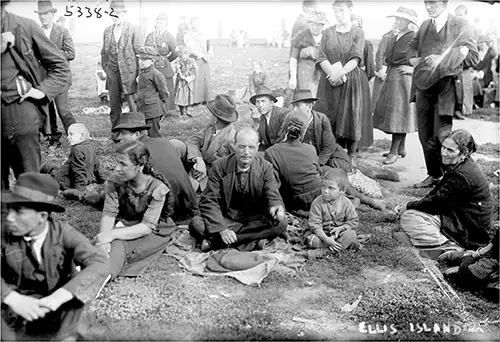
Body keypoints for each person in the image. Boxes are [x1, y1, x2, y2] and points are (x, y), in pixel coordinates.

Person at [1, 172, 108, 340]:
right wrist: (11, 297)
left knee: (75, 317)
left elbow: (100, 262)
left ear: (42, 217)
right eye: (9, 209)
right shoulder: (4, 234)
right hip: (15, 301)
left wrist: (59, 296)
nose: (9, 218)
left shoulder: (64, 233)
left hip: (57, 301)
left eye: (19, 212)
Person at [407, 0, 478, 188]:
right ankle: (434, 175)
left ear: (445, 3)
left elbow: (473, 56)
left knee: (441, 136)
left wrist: (442, 59)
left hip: (446, 88)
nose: (429, 6)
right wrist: (415, 59)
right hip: (423, 87)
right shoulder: (424, 25)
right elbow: (411, 48)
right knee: (424, 137)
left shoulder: (460, 24)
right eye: (426, 3)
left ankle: (450, 178)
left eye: (434, 2)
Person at [1, 0, 70, 190]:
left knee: (29, 181)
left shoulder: (25, 26)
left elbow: (60, 65)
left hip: (18, 112)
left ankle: (36, 217)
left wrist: (40, 91)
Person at [189, 127, 288, 251]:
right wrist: (222, 229)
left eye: (251, 147)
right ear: (234, 146)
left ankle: (217, 242)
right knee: (196, 224)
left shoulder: (266, 168)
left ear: (257, 147)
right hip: (226, 218)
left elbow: (272, 194)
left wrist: (276, 205)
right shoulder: (219, 166)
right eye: (242, 147)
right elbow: (209, 200)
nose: (246, 152)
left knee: (281, 223)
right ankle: (252, 242)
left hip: (253, 220)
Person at [399, 130, 492, 254]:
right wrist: (414, 205)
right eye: (443, 147)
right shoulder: (461, 165)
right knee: (414, 213)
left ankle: (449, 246)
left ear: (464, 153)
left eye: (450, 150)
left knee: (409, 217)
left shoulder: (462, 175)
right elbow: (437, 194)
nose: (444, 153)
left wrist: (409, 206)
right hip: (462, 218)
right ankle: (430, 240)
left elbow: (434, 203)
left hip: (470, 231)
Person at [95, 140, 176, 279]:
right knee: (99, 244)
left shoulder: (157, 188)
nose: (117, 168)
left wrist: (112, 234)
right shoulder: (115, 182)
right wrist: (104, 240)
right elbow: (109, 213)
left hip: (153, 229)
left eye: (123, 164)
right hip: (127, 222)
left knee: (122, 246)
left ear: (140, 166)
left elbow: (146, 226)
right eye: (117, 162)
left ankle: (102, 274)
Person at [314, 0, 373, 166]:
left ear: (350, 10)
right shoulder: (327, 32)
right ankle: (331, 152)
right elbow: (322, 55)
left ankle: (352, 155)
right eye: (336, 11)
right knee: (329, 115)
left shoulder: (357, 32)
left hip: (351, 80)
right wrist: (331, 73)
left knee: (351, 116)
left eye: (342, 10)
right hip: (330, 80)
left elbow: (356, 57)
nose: (339, 14)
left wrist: (340, 72)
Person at [112, 112, 199, 223]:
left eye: (123, 133)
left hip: (166, 210)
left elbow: (122, 185)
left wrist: (95, 198)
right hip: (189, 206)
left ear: (137, 134)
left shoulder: (136, 153)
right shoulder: (165, 143)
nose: (119, 138)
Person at [373, 7, 418, 165]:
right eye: (396, 19)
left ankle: (394, 151)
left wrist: (413, 69)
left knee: (399, 114)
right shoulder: (396, 36)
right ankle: (401, 148)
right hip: (393, 76)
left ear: (408, 22)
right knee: (397, 112)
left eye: (401, 20)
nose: (397, 22)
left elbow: (424, 57)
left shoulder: (413, 37)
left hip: (403, 79)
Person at [170, 94, 238, 192]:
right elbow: (192, 140)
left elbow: (232, 167)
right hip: (197, 166)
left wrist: (204, 169)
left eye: (211, 113)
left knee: (185, 195)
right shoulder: (210, 128)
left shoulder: (231, 138)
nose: (208, 115)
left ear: (216, 117)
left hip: (210, 176)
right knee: (175, 144)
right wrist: (198, 159)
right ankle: (174, 178)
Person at [264, 109, 323, 216]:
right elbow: (318, 172)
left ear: (284, 127)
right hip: (317, 196)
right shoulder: (311, 149)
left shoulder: (272, 152)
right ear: (303, 131)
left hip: (296, 202)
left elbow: (273, 185)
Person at [36, 0, 76, 147]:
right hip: (44, 78)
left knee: (63, 109)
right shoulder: (36, 32)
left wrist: (51, 53)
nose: (43, 17)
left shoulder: (62, 31)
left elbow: (71, 53)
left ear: (52, 15)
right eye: (41, 14)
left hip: (60, 77)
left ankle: (77, 136)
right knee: (48, 109)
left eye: (46, 14)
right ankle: (54, 137)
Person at [100, 0, 142, 142]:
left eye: (118, 12)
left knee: (132, 104)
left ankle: (138, 133)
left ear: (124, 13)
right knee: (114, 105)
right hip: (112, 73)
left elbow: (139, 52)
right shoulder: (107, 30)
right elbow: (104, 52)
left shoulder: (134, 29)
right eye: (113, 12)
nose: (115, 15)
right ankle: (116, 133)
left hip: (129, 73)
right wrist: (107, 68)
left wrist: (138, 74)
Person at [284, 89, 351, 171]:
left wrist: (318, 164)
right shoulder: (290, 118)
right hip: (301, 157)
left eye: (298, 106)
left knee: (339, 166)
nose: (294, 109)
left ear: (310, 106)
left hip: (322, 155)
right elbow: (284, 142)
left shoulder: (322, 119)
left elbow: (329, 146)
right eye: (293, 106)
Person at [41, 123, 104, 201]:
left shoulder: (76, 149)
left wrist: (80, 190)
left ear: (81, 136)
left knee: (47, 174)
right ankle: (41, 167)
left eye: (71, 135)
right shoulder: (90, 146)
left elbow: (79, 170)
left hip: (64, 180)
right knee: (52, 167)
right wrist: (102, 180)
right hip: (79, 177)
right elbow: (97, 165)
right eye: (68, 135)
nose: (68, 137)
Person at [304, 169, 358, 251]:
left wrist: (341, 228)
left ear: (342, 190)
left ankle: (327, 250)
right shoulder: (317, 203)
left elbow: (353, 221)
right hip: (321, 235)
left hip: (338, 234)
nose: (325, 191)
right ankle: (335, 246)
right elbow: (315, 225)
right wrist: (326, 239)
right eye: (323, 186)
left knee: (351, 234)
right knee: (311, 240)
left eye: (331, 188)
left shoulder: (347, 203)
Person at [438, 229, 498, 302]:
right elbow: (486, 250)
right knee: (465, 275)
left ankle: (467, 257)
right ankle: (464, 255)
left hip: (491, 273)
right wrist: (474, 255)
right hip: (485, 266)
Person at [288, 9, 327, 97]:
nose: (315, 27)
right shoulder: (301, 37)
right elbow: (293, 59)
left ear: (323, 25)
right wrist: (293, 77)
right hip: (304, 72)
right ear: (309, 24)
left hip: (321, 72)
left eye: (318, 25)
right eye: (312, 24)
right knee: (305, 97)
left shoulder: (327, 38)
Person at [145, 13, 178, 113]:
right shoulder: (151, 35)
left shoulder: (169, 37)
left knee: (164, 87)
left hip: (163, 66)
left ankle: (166, 109)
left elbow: (175, 53)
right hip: (151, 65)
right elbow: (145, 49)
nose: (159, 24)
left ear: (166, 24)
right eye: (158, 22)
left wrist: (166, 60)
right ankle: (152, 108)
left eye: (162, 22)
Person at [136, 46, 169, 138]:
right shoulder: (142, 72)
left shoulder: (156, 74)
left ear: (152, 61)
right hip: (143, 109)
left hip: (153, 111)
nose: (140, 62)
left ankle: (157, 151)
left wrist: (159, 106)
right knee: (144, 135)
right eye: (139, 59)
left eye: (144, 60)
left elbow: (164, 92)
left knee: (154, 134)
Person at [250, 86, 291, 151]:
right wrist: (256, 123)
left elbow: (282, 140)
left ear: (271, 103)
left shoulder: (283, 114)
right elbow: (256, 141)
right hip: (270, 151)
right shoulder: (260, 117)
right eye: (258, 102)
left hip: (284, 151)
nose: (260, 105)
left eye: (263, 101)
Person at [184, 17, 211, 106]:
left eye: (197, 24)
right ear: (191, 25)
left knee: (205, 78)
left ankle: (204, 98)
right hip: (195, 59)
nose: (195, 26)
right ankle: (195, 100)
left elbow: (209, 45)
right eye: (194, 24)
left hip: (205, 60)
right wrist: (202, 55)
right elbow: (191, 48)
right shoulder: (188, 35)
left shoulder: (203, 34)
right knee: (196, 78)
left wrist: (209, 53)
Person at [372, 29, 397, 114]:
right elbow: (380, 53)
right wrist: (380, 69)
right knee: (378, 95)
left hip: (397, 70)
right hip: (384, 69)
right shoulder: (387, 36)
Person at [174, 47, 198, 117]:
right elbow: (178, 71)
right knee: (181, 95)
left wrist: (190, 77)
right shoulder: (178, 61)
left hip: (189, 80)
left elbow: (195, 70)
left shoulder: (192, 61)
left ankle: (187, 110)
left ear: (188, 54)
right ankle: (182, 112)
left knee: (188, 95)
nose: (184, 56)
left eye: (186, 54)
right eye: (183, 54)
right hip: (181, 82)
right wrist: (183, 77)